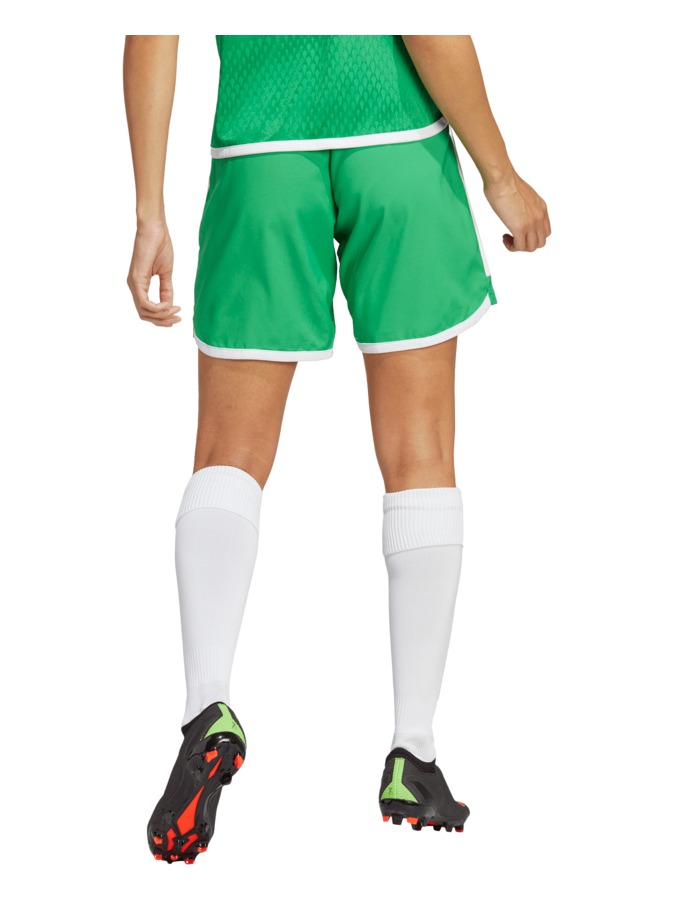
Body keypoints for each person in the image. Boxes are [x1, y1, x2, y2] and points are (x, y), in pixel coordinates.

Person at [124, 34, 550, 863]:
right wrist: (499, 173)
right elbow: (423, 25)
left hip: (260, 154)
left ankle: (208, 703)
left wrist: (149, 212)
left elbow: (150, 29)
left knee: (227, 450)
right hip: (398, 149)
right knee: (419, 450)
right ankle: (412, 754)